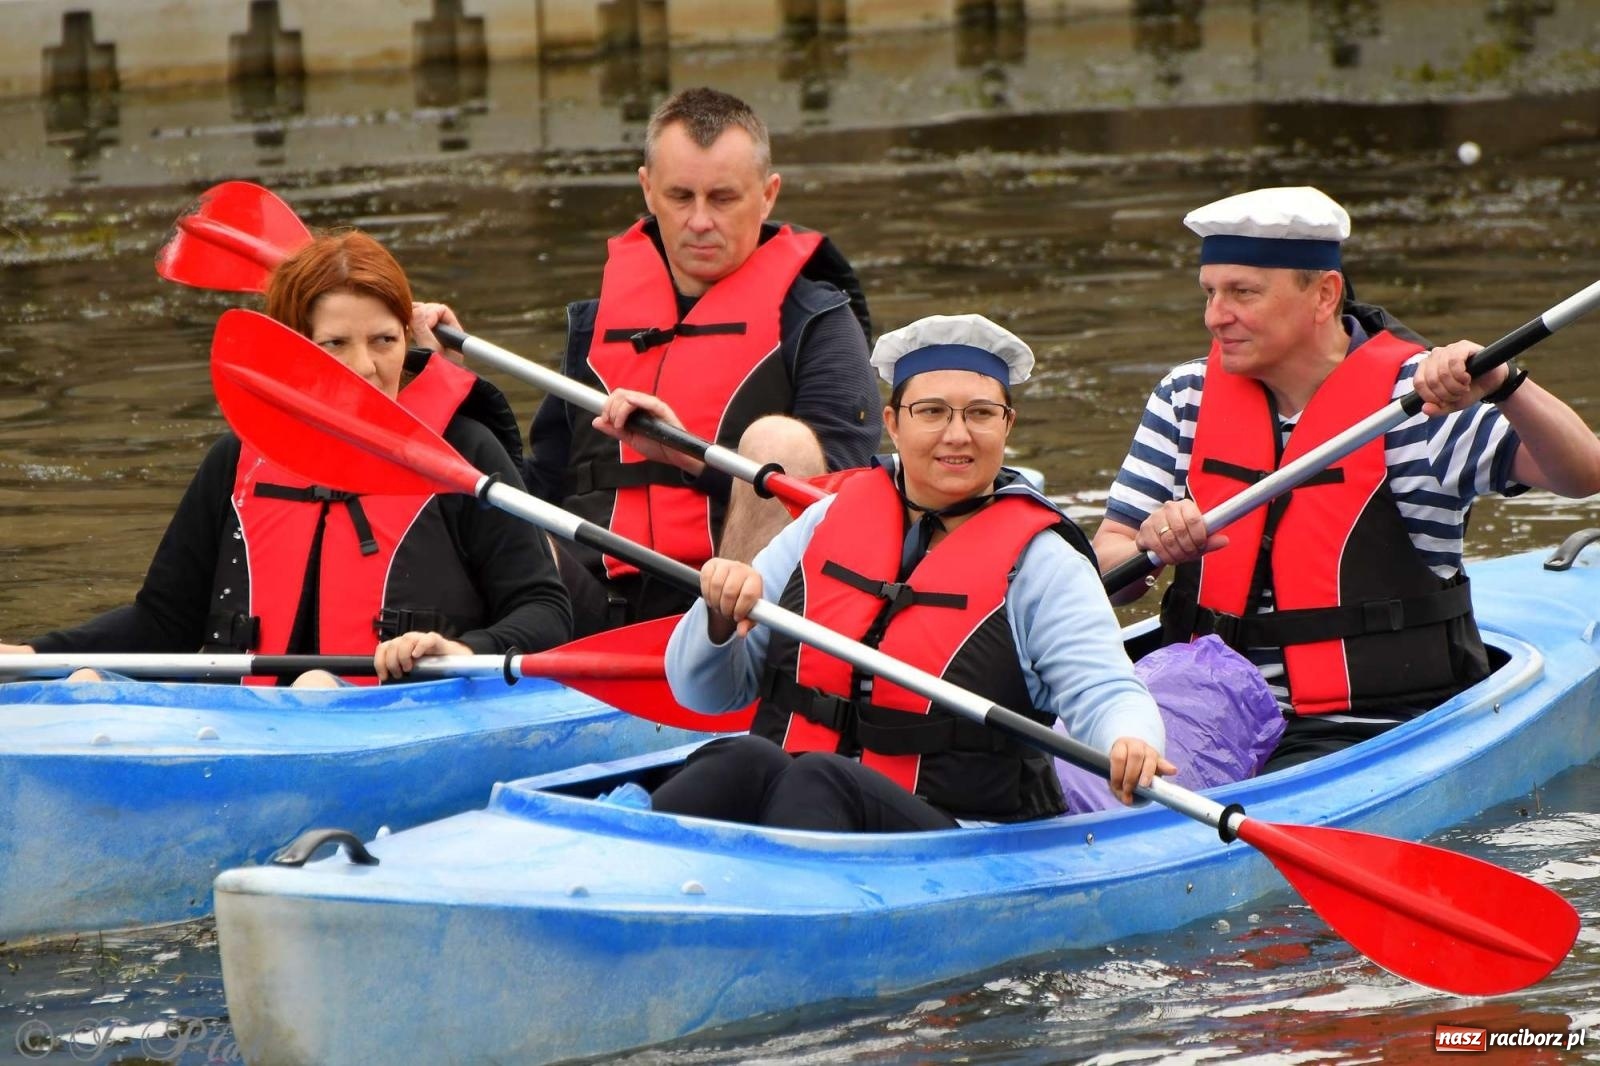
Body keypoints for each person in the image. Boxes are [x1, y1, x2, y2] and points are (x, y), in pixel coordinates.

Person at [1093, 185, 1600, 769]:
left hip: (1369, 725)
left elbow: (1583, 473)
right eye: (1210, 292)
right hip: (1203, 707)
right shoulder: (1184, 396)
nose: (1215, 316)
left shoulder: (1422, 401)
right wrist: (1149, 547)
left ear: (1324, 294)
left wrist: (1506, 385)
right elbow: (1109, 565)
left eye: (1242, 293)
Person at [652, 314, 1171, 832]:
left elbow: (1105, 689)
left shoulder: (1044, 564)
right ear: (893, 423)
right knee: (738, 761)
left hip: (961, 829)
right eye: (932, 412)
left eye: (981, 413)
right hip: (811, 797)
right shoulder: (823, 523)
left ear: (1007, 425)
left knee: (818, 778)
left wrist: (1131, 739)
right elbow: (704, 695)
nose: (957, 435)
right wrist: (717, 619)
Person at [0, 231, 572, 683]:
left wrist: (463, 651)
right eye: (335, 344)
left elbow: (546, 610)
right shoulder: (236, 461)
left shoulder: (463, 453)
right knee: (87, 681)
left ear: (406, 337)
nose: (365, 368)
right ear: (294, 350)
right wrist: (35, 654)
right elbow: (163, 623)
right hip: (250, 722)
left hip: (401, 711)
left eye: (384, 340)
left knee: (317, 685)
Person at [519, 86, 879, 638]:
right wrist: (442, 380)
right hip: (587, 610)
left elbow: (843, 500)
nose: (700, 220)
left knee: (780, 443)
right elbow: (536, 484)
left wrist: (691, 459)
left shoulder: (817, 321)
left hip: (736, 618)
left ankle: (724, 653)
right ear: (648, 189)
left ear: (768, 195)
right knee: (488, 501)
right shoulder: (595, 324)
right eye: (681, 196)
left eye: (723, 198)